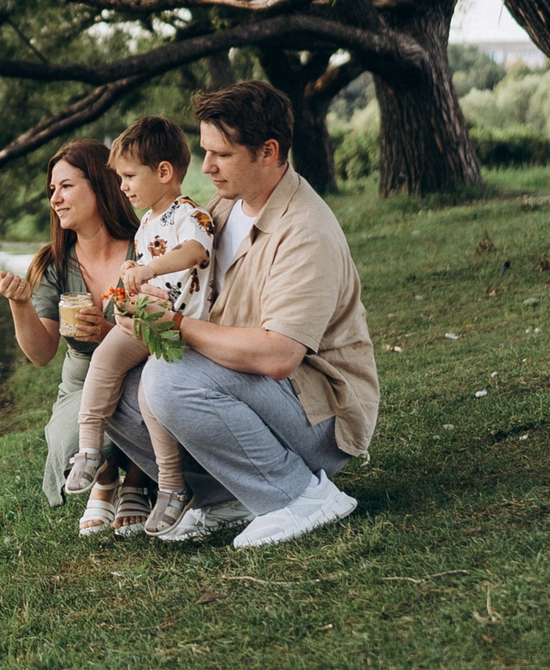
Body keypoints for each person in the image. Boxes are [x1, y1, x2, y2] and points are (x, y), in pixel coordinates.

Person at [100, 81, 381, 550]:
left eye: (221, 155)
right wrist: (138, 306)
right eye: (206, 151)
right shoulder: (223, 208)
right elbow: (180, 284)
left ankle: (299, 496)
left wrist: (176, 327)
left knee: (169, 380)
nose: (206, 166)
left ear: (268, 151)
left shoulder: (305, 230)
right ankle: (225, 498)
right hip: (249, 392)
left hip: (319, 417)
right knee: (116, 385)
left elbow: (278, 356)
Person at [60, 117, 214, 539]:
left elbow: (193, 254)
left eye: (129, 177)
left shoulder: (190, 214)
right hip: (146, 319)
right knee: (103, 362)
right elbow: (147, 269)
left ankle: (170, 485)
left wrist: (146, 267)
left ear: (163, 173)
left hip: (180, 327)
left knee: (151, 395)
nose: (123, 187)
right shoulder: (146, 222)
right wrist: (133, 270)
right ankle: (89, 451)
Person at [0, 139, 144, 537]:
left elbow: (169, 327)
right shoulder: (53, 262)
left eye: (66, 187)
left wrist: (113, 333)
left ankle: (136, 482)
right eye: (51, 191)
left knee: (149, 396)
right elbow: (42, 353)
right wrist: (21, 305)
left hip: (141, 374)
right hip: (81, 383)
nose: (55, 199)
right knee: (68, 437)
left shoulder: (145, 246)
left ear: (100, 185)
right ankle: (107, 477)